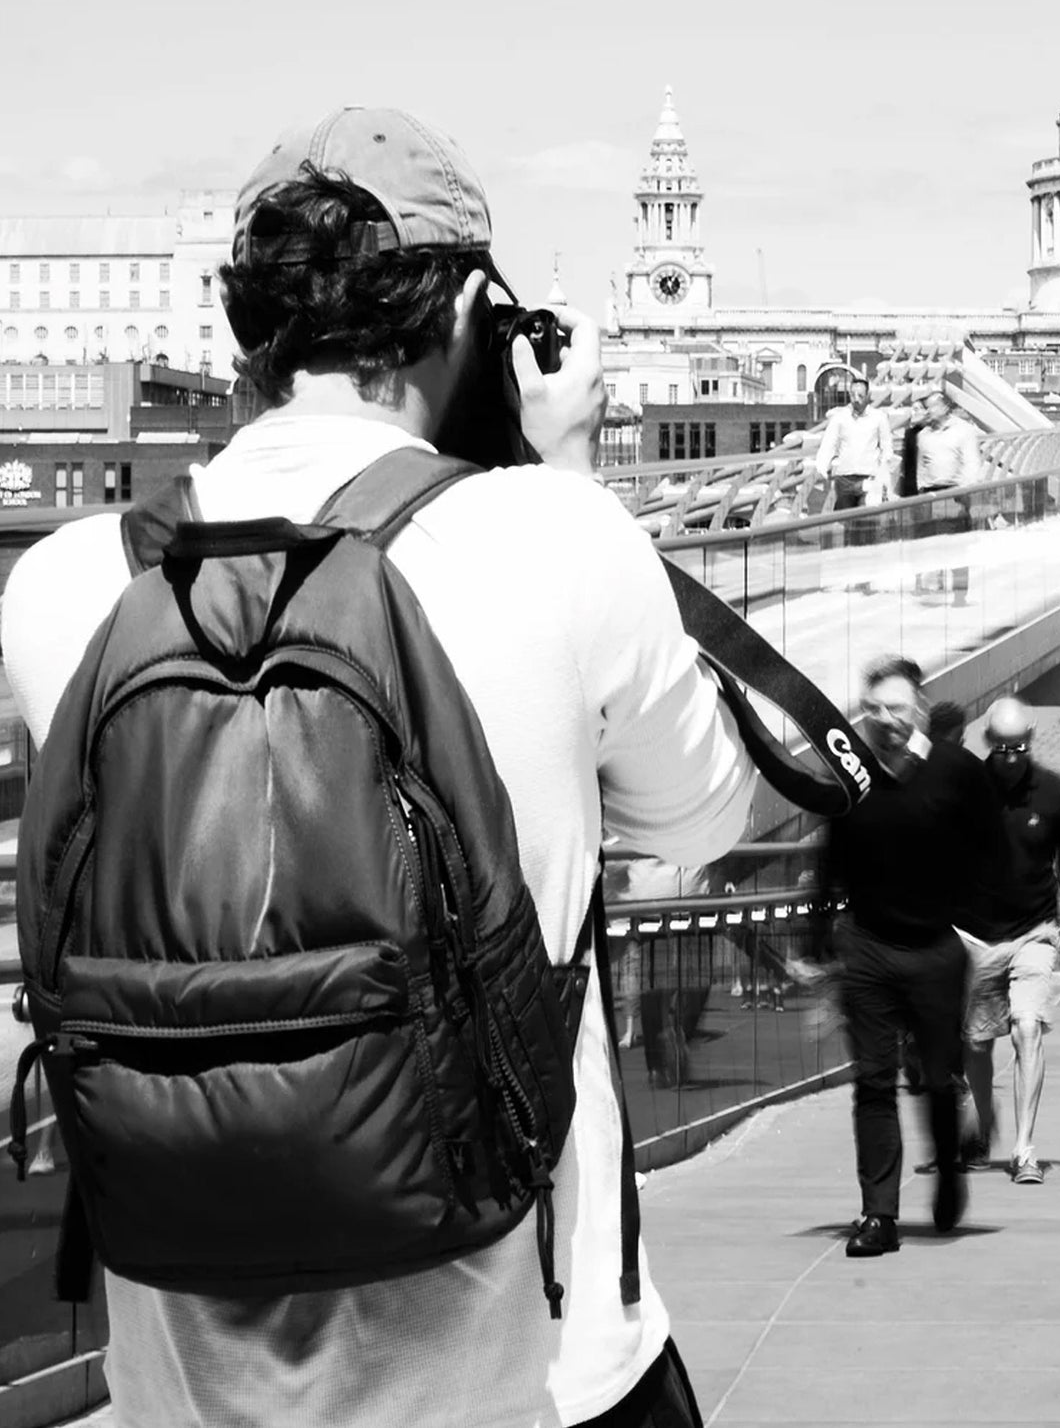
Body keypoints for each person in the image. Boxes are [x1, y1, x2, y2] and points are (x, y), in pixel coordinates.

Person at [0, 111, 762, 1427]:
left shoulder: (71, 577)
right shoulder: (557, 537)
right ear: (472, 305)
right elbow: (705, 816)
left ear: (248, 319)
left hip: (184, 1381)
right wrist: (566, 473)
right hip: (531, 1368)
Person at [812, 656, 999, 1257]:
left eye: (895, 708)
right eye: (873, 710)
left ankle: (948, 1169)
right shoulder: (852, 773)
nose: (884, 720)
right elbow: (830, 851)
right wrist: (819, 935)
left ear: (918, 707)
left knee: (939, 1080)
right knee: (871, 1082)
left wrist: (972, 927)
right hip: (866, 946)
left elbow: (992, 848)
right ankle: (879, 1215)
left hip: (936, 950)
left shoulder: (956, 771)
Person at [955, 698, 1060, 1184]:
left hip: (1035, 930)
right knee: (976, 1042)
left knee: (1027, 1027)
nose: (1011, 757)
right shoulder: (968, 789)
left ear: (1032, 738)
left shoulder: (1051, 790)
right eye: (1003, 748)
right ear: (988, 742)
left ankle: (1025, 1149)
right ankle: (983, 1124)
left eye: (1020, 747)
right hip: (974, 935)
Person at [914, 389, 984, 605]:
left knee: (957, 547)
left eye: (932, 406)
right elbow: (921, 467)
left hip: (955, 494)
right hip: (930, 495)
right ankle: (933, 586)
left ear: (945, 407)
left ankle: (959, 595)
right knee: (930, 544)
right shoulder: (923, 436)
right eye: (927, 407)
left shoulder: (964, 431)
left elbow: (972, 464)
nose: (928, 410)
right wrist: (921, 492)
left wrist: (962, 494)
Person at [815, 374, 894, 550]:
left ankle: (866, 561)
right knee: (846, 526)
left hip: (869, 478)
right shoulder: (840, 417)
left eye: (860, 395)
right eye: (852, 395)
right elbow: (829, 443)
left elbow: (887, 448)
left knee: (867, 522)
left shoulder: (879, 417)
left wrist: (882, 474)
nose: (856, 399)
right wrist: (822, 468)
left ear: (868, 396)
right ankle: (850, 562)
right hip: (844, 480)